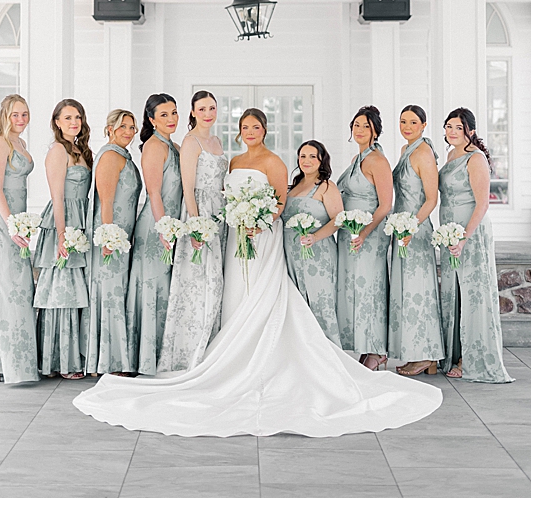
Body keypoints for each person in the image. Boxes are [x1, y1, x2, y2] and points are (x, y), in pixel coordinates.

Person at [73, 108, 442, 438]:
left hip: (262, 235)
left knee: (263, 293)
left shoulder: (275, 161)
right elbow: (224, 195)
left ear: (263, 130)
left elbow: (281, 202)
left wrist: (259, 220)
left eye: (255, 126)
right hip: (236, 236)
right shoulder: (232, 161)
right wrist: (239, 219)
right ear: (239, 132)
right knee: (235, 292)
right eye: (244, 127)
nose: (250, 132)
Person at [438, 108, 513, 383]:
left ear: (470, 129)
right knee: (454, 292)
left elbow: (482, 203)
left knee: (473, 294)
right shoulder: (450, 156)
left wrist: (464, 237)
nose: (451, 132)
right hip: (449, 233)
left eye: (458, 127)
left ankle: (472, 359)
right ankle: (454, 352)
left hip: (471, 233)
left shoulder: (476, 158)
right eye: (448, 127)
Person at [158, 91, 228, 372]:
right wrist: (196, 226)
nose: (208, 113)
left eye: (212, 108)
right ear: (193, 112)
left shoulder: (217, 141)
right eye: (202, 108)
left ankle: (213, 347)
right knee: (199, 282)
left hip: (219, 212)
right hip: (198, 213)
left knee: (217, 283)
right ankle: (189, 354)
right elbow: (188, 187)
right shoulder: (191, 141)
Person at [0, 94, 39, 383]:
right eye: (16, 114)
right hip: (2, 224)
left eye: (25, 114)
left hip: (19, 221)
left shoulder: (21, 144)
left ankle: (21, 360)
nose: (21, 120)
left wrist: (22, 224)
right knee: (5, 289)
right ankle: (3, 362)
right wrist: (11, 226)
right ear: (5, 115)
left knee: (21, 289)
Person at [34, 99, 92, 379]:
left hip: (82, 220)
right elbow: (57, 196)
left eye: (78, 117)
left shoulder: (81, 150)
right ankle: (60, 361)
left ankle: (77, 355)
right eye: (68, 117)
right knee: (63, 292)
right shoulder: (57, 151)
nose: (74, 122)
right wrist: (61, 235)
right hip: (64, 221)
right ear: (56, 122)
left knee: (78, 290)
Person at [81, 109, 142, 376]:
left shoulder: (123, 155)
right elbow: (105, 201)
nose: (128, 132)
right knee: (110, 294)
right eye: (122, 127)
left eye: (132, 127)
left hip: (123, 236)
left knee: (117, 293)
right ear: (109, 128)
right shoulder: (109, 156)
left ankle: (113, 357)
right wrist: (108, 237)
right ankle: (108, 361)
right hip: (111, 237)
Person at [126, 93, 183, 375]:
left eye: (174, 112)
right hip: (155, 226)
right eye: (164, 115)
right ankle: (146, 360)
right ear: (151, 119)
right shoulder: (153, 146)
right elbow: (154, 192)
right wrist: (164, 229)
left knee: (166, 290)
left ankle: (164, 355)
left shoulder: (175, 145)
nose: (172, 119)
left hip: (172, 225)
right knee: (153, 288)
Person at [387, 106, 444, 376]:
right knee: (407, 293)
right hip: (401, 229)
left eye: (412, 122)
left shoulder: (423, 153)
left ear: (423, 125)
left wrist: (411, 227)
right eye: (402, 121)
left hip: (416, 231)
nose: (406, 126)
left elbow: (431, 199)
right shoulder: (405, 150)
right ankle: (416, 352)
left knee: (419, 292)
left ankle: (428, 354)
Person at [336, 106, 393, 371]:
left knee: (370, 288)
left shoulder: (377, 161)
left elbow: (385, 204)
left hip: (369, 235)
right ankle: (365, 345)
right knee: (355, 290)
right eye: (357, 125)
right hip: (351, 234)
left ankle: (376, 350)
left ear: (375, 131)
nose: (360, 130)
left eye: (366, 126)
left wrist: (365, 232)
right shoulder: (355, 160)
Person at [282, 140, 344, 346]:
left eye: (312, 156)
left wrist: (315, 237)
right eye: (302, 156)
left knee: (319, 302)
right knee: (296, 305)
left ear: (321, 160)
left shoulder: (326, 186)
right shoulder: (293, 186)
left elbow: (338, 219)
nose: (306, 161)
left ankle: (327, 352)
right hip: (291, 254)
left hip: (317, 254)